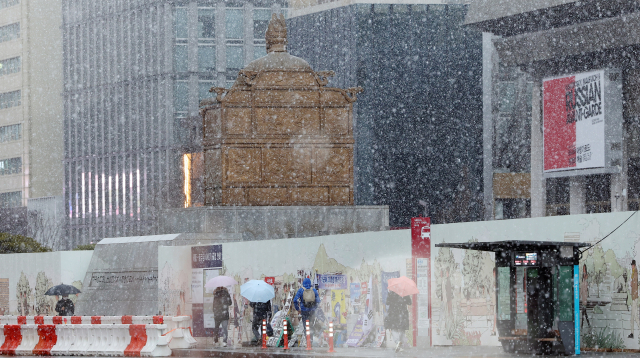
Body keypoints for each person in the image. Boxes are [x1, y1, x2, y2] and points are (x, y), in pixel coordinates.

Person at [293, 278, 320, 345]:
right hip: (312, 311)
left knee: (306, 327)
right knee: (311, 326)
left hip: (304, 311)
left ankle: (307, 342)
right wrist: (314, 308)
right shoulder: (314, 290)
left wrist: (298, 309)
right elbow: (318, 301)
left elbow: (295, 300)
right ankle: (310, 341)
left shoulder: (301, 290)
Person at [629, 260, 638, 338]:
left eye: (632, 265)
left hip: (635, 298)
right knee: (633, 316)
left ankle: (632, 333)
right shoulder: (633, 273)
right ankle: (632, 333)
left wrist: (634, 297)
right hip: (634, 297)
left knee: (635, 316)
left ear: (634, 266)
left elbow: (635, 287)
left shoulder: (635, 273)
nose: (631, 267)